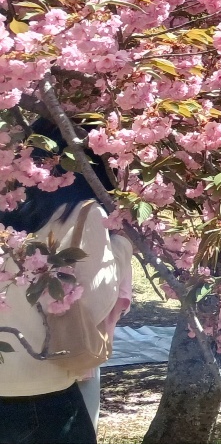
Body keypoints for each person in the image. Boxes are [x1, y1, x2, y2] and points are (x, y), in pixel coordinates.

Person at [0, 141, 133, 443]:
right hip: (40, 387)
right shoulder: (83, 213)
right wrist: (123, 246)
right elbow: (94, 302)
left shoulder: (9, 199)